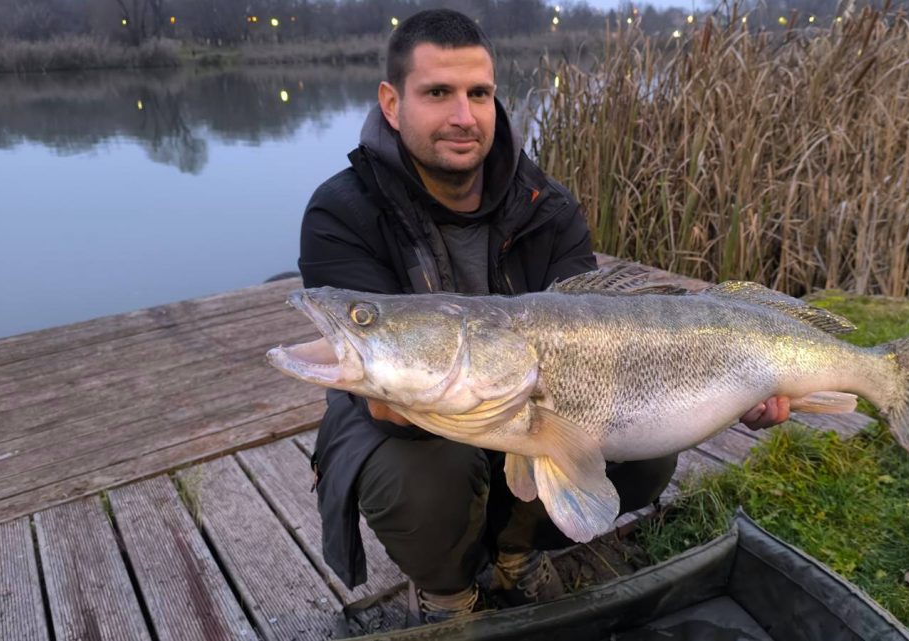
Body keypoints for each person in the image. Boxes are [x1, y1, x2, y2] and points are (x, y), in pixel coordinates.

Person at [297, 8, 790, 626]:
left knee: (644, 452)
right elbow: (384, 403)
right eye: (437, 93)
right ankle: (448, 592)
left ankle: (515, 552)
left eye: (479, 93)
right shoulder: (341, 213)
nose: (463, 116)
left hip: (530, 397)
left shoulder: (548, 206)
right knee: (425, 471)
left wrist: (744, 382)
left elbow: (596, 314)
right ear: (392, 104)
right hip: (403, 425)